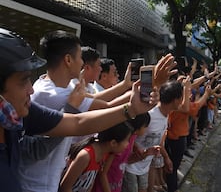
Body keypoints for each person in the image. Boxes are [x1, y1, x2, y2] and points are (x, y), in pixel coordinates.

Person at [0, 27, 177, 192]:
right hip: (37, 184)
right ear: (68, 60)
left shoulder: (56, 93)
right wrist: (135, 97)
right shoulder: (49, 93)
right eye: (23, 80)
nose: (30, 90)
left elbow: (83, 117)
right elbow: (91, 115)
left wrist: (130, 100)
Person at [121, 79, 192, 192]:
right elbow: (128, 135)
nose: (183, 101)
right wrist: (136, 148)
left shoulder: (166, 115)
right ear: (176, 100)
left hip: (144, 168)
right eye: (182, 98)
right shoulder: (149, 115)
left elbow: (157, 141)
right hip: (130, 167)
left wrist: (166, 158)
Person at [59, 121, 134, 192]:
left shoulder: (103, 154)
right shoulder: (85, 156)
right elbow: (65, 187)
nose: (127, 145)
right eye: (126, 140)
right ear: (113, 143)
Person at [91, 113, 157, 192]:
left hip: (116, 186)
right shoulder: (119, 142)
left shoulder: (131, 138)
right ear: (138, 127)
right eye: (145, 126)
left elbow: (124, 161)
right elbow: (102, 173)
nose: (147, 129)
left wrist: (144, 155)